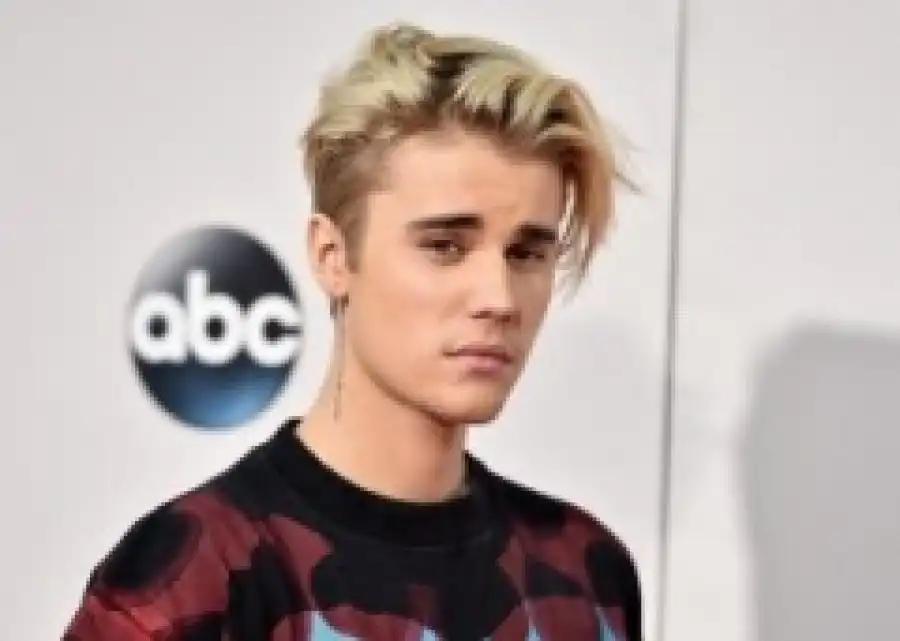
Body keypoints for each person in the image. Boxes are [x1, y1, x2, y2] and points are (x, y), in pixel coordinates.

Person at [63, 21, 643, 641]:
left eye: (526, 253)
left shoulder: (587, 577)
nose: (498, 299)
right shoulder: (190, 582)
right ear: (332, 256)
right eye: (445, 246)